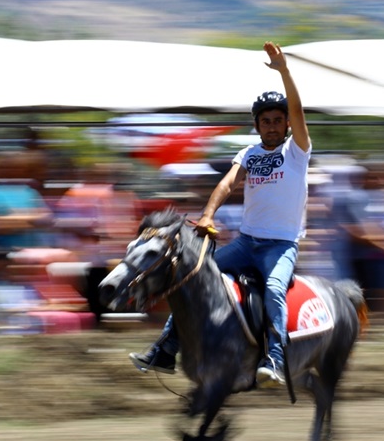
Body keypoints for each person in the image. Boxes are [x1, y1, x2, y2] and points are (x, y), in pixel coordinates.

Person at [130, 41, 311, 388]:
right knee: (193, 274)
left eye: (277, 121)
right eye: (265, 122)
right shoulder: (249, 153)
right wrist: (208, 215)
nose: (272, 126)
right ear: (257, 126)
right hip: (247, 243)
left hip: (281, 246)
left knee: (274, 288)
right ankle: (167, 349)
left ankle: (274, 358)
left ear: (287, 124)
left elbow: (300, 110)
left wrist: (285, 72)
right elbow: (227, 184)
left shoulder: (297, 151)